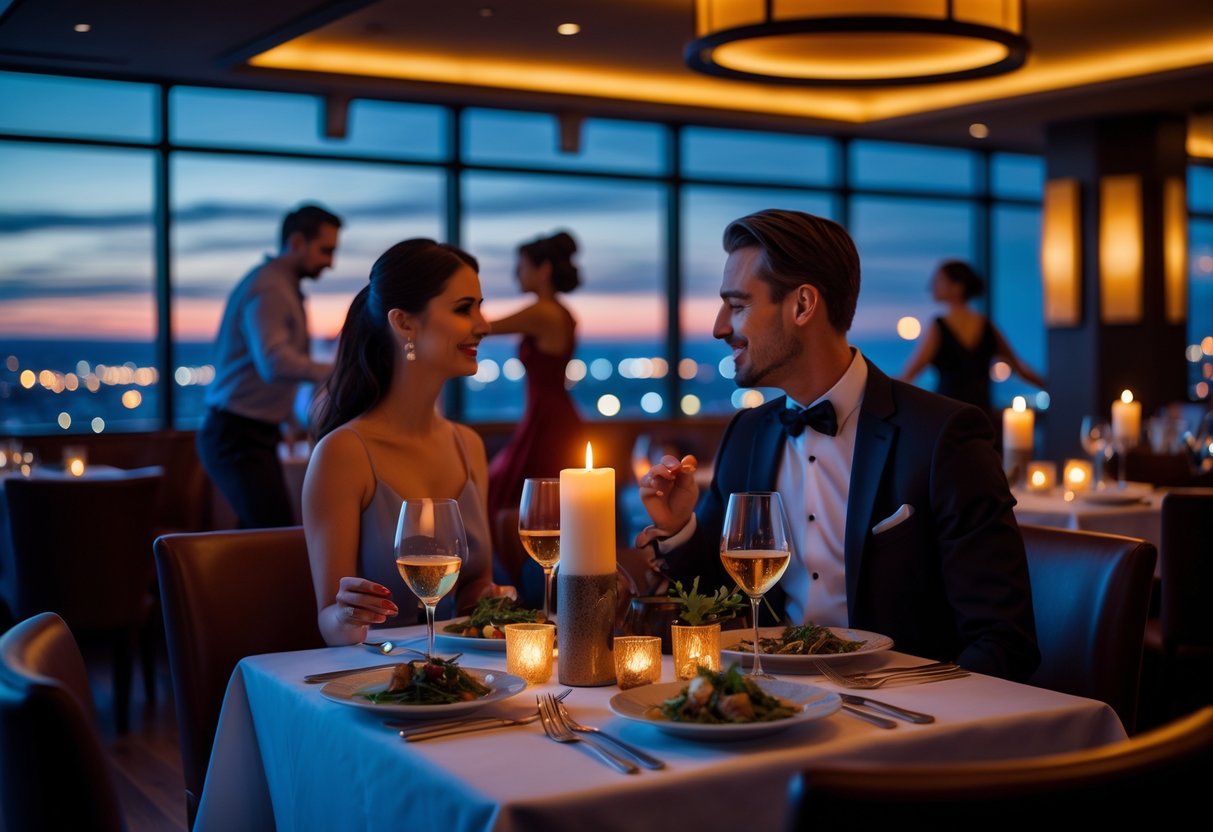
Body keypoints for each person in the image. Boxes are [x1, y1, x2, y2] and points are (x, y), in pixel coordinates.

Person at [635, 210, 1040, 682]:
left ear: (803, 305)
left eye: (738, 305)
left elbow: (1002, 641)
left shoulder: (943, 436)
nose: (719, 327)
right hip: (774, 701)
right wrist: (679, 528)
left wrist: (919, 711)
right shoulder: (748, 433)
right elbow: (715, 597)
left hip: (903, 709)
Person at [303, 238, 498, 646]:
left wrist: (492, 599)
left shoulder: (468, 445)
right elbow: (329, 621)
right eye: (464, 308)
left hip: (463, 672)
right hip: (378, 674)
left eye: (480, 307)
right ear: (404, 324)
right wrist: (346, 615)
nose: (484, 325)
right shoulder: (343, 453)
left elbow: (473, 588)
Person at [197, 203, 341, 529]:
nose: (331, 263)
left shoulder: (279, 286)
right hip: (236, 435)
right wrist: (338, 371)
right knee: (271, 531)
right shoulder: (271, 288)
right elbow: (274, 363)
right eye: (326, 250)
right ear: (297, 242)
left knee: (259, 532)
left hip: (246, 432)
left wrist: (287, 418)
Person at [485, 231, 585, 600]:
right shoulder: (560, 312)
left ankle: (536, 595)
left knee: (529, 505)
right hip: (550, 416)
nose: (516, 274)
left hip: (548, 423)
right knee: (533, 506)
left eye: (522, 266)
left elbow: (483, 327)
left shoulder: (544, 312)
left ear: (543, 270)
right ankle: (537, 591)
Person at [900, 259, 1046, 419]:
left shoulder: (938, 327)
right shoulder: (987, 326)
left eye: (939, 280)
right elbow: (1021, 369)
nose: (932, 286)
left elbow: (909, 374)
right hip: (981, 413)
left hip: (947, 415)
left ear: (958, 287)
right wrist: (1055, 387)